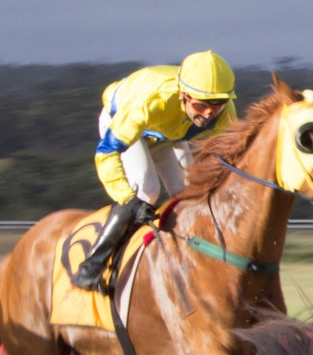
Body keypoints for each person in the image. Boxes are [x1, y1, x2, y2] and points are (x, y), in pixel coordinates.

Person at [71, 50, 238, 292]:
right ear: (183, 96)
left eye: (217, 105)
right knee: (146, 190)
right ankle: (91, 267)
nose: (209, 114)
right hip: (124, 121)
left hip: (169, 132)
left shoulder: (224, 113)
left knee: (189, 194)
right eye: (200, 106)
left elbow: (230, 158)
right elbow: (106, 152)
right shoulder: (151, 103)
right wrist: (127, 197)